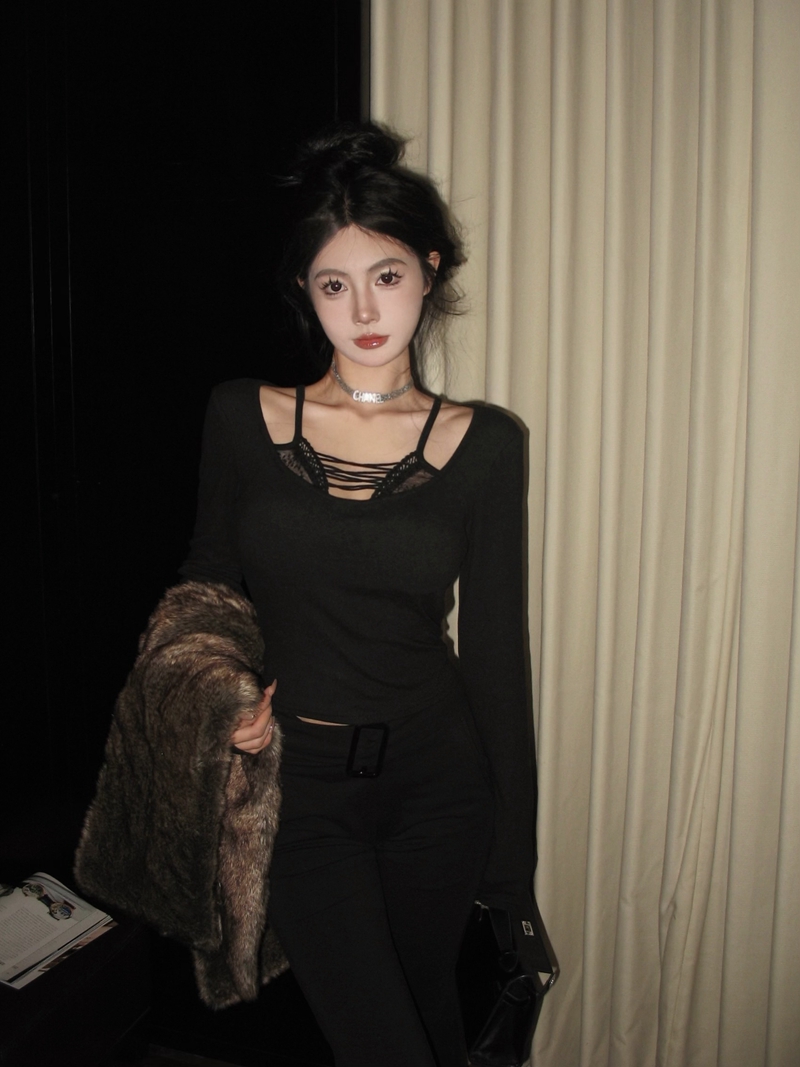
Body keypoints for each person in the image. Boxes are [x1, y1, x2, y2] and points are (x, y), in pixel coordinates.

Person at [179, 122, 535, 1067]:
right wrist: (221, 700)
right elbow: (205, 588)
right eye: (334, 284)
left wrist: (513, 870)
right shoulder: (240, 415)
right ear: (306, 289)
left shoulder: (489, 443)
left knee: (429, 1017)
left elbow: (496, 658)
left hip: (439, 785)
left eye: (386, 275)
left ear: (429, 270)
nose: (365, 309)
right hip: (299, 788)